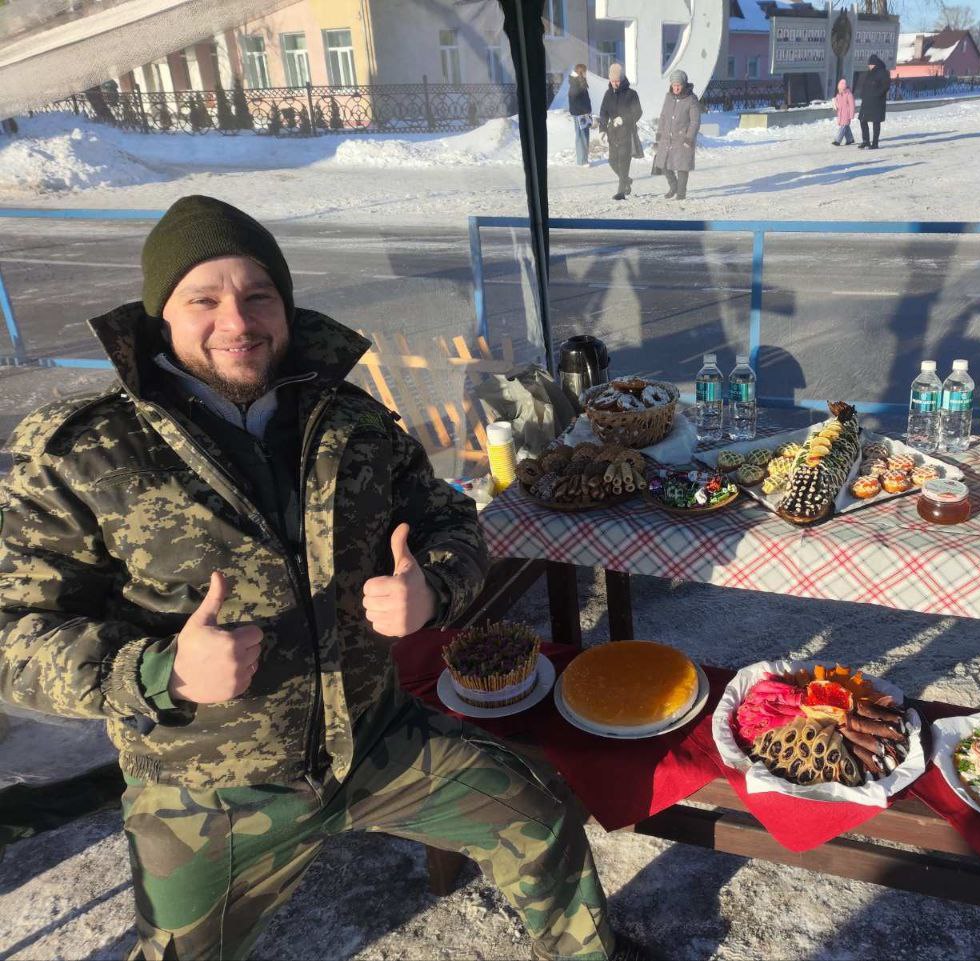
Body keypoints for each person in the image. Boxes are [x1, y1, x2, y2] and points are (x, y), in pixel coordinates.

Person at [0, 196, 634, 961]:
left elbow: (451, 521)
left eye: (258, 294)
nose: (237, 321)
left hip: (378, 740)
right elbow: (14, 637)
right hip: (207, 791)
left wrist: (433, 587)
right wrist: (160, 671)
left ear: (286, 305)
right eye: (203, 299)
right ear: (160, 314)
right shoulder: (83, 453)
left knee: (539, 815)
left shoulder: (350, 421)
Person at [651, 69, 702, 200]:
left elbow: (695, 121)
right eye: (674, 85)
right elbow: (663, 116)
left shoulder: (691, 99)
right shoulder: (668, 97)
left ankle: (681, 193)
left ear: (684, 84)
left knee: (682, 167)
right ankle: (674, 186)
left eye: (678, 85)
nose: (676, 88)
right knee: (663, 163)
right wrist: (659, 135)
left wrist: (689, 138)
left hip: (682, 138)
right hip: (667, 137)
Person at [598, 63, 643, 201]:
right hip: (613, 134)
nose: (615, 83)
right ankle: (626, 180)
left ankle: (621, 192)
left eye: (617, 81)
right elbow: (603, 113)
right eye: (612, 81)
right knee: (612, 161)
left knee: (624, 162)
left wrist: (624, 119)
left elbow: (638, 112)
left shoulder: (631, 94)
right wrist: (602, 130)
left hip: (627, 133)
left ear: (622, 79)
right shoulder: (608, 94)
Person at [856, 54, 890, 149]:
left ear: (875, 64)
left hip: (877, 102)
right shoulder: (869, 73)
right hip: (867, 101)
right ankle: (866, 141)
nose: (869, 66)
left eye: (870, 64)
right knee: (862, 120)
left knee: (876, 122)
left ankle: (875, 143)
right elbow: (865, 85)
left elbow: (886, 86)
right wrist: (863, 95)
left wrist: (877, 94)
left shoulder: (882, 72)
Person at [568, 63, 593, 165]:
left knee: (584, 136)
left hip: (583, 114)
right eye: (585, 72)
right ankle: (582, 161)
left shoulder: (579, 82)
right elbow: (573, 100)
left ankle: (583, 160)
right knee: (581, 137)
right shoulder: (575, 83)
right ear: (581, 72)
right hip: (580, 114)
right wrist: (584, 111)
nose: (586, 74)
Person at [832, 77, 856, 146]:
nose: (839, 90)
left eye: (840, 89)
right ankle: (850, 139)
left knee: (843, 127)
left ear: (843, 88)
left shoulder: (849, 94)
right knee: (846, 127)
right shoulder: (838, 95)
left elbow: (852, 105)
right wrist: (835, 103)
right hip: (840, 114)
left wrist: (851, 115)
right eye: (838, 89)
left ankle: (837, 140)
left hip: (846, 114)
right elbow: (838, 105)